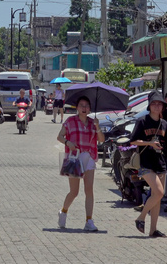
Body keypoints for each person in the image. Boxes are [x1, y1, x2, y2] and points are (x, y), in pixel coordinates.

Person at [131, 91, 167, 238]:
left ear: (162, 106)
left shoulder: (164, 124)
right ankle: (141, 217)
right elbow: (133, 141)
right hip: (145, 164)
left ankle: (153, 230)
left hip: (160, 164)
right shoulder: (142, 121)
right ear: (149, 106)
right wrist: (149, 143)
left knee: (157, 198)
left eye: (159, 104)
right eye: (154, 103)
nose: (157, 106)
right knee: (160, 192)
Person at [56, 96, 105, 231]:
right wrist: (68, 143)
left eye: (87, 106)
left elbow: (101, 139)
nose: (84, 108)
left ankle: (89, 221)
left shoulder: (92, 122)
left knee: (89, 190)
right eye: (81, 105)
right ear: (77, 108)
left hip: (89, 158)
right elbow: (59, 136)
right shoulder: (70, 121)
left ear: (90, 108)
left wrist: (97, 126)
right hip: (74, 158)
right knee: (74, 191)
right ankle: (64, 211)